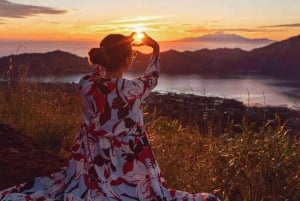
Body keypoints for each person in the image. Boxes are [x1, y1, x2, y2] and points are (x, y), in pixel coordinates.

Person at [0, 33, 220, 201]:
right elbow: (151, 78)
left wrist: (114, 51)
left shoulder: (86, 84)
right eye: (131, 56)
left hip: (92, 163)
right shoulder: (132, 89)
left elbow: (99, 72)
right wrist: (155, 48)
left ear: (102, 59)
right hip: (128, 164)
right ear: (128, 60)